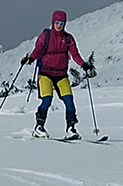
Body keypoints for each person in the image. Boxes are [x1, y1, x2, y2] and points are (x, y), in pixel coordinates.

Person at [21, 11, 92, 139]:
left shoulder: (68, 38)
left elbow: (75, 54)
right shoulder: (45, 36)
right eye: (57, 22)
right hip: (45, 74)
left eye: (62, 23)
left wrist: (83, 64)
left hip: (61, 75)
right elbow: (37, 50)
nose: (59, 25)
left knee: (69, 100)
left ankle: (71, 129)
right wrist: (30, 59)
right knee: (47, 99)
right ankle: (39, 127)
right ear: (53, 22)